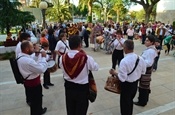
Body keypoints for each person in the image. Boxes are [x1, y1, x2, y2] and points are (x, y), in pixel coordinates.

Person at [59, 35, 99, 115]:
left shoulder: (62, 58)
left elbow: (60, 66)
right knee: (81, 111)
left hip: (69, 87)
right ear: (80, 45)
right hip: (82, 89)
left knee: (70, 110)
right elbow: (96, 67)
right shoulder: (86, 58)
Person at [109, 40, 146, 115]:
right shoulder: (140, 59)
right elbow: (143, 72)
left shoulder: (124, 61)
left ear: (125, 48)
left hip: (126, 85)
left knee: (125, 104)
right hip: (135, 84)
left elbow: (122, 78)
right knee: (130, 101)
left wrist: (114, 73)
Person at [17, 41, 47, 115]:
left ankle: (39, 110)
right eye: (32, 48)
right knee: (36, 101)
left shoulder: (21, 55)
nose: (33, 49)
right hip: (34, 85)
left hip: (29, 83)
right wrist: (43, 57)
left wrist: (36, 55)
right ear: (27, 49)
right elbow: (41, 69)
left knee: (36, 101)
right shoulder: (27, 61)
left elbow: (32, 59)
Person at [134, 35, 157, 106]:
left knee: (143, 86)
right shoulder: (149, 49)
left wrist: (140, 61)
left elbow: (149, 63)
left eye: (147, 40)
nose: (145, 41)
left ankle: (142, 101)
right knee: (145, 86)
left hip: (146, 72)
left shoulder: (150, 51)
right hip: (145, 71)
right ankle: (144, 99)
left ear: (151, 42)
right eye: (146, 40)